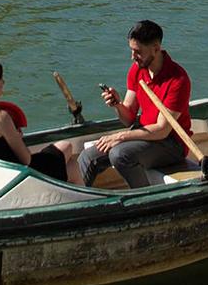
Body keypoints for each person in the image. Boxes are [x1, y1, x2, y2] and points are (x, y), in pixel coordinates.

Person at [67, 20, 192, 189]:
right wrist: (117, 105)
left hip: (171, 144)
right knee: (88, 156)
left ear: (156, 48)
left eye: (137, 51)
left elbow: (162, 130)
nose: (132, 57)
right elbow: (129, 119)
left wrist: (120, 136)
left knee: (120, 154)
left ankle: (144, 198)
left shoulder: (178, 80)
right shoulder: (137, 69)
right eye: (132, 50)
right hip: (144, 134)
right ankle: (78, 197)